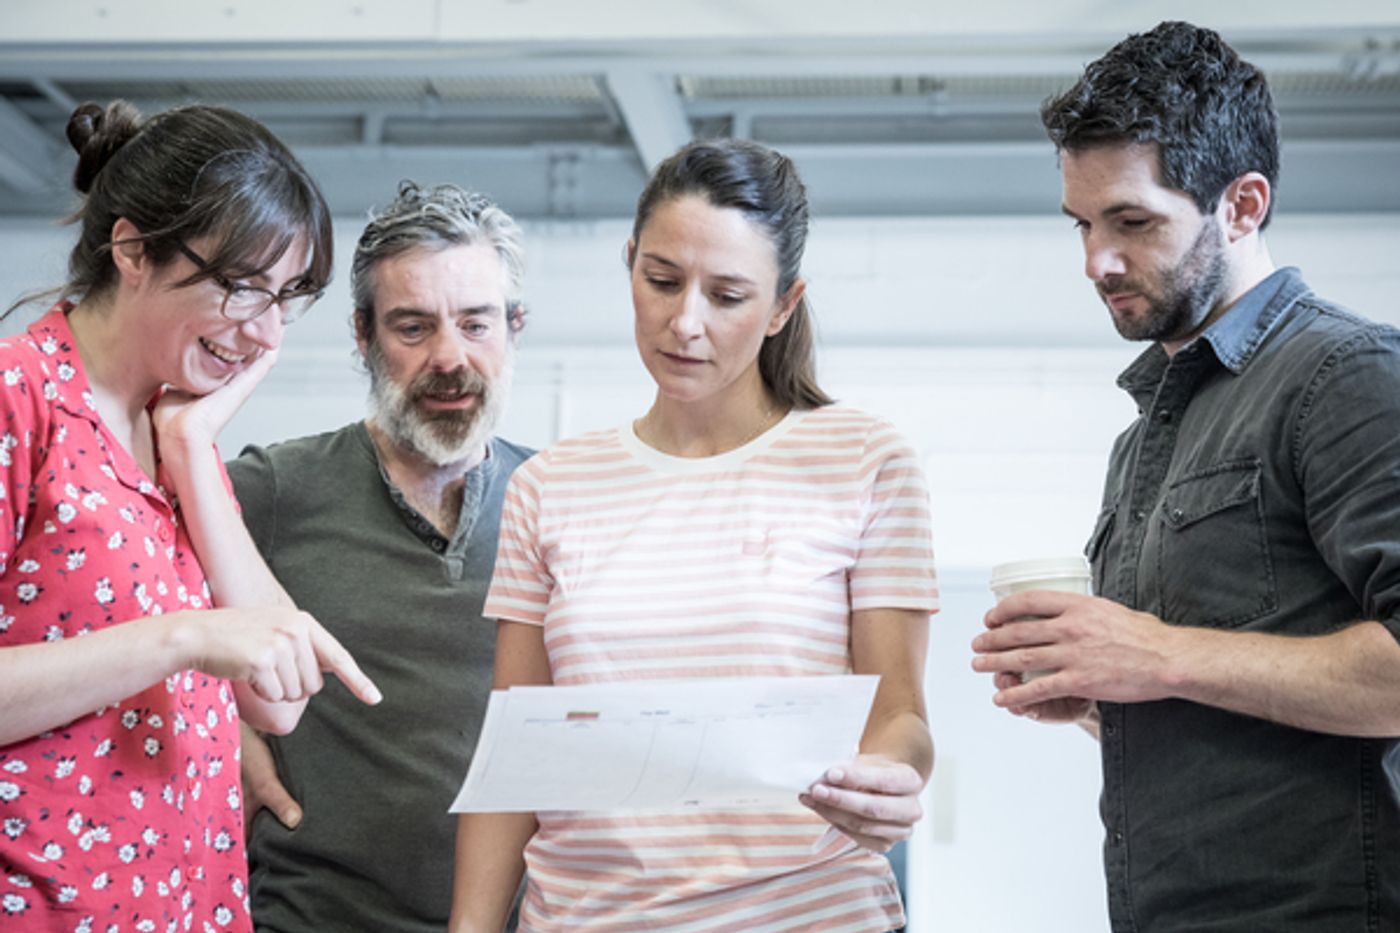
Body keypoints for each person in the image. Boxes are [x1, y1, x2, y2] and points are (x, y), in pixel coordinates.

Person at [971, 20, 1400, 932]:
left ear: (1243, 205)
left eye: (1132, 221)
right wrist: (1097, 695)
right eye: (1082, 224)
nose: (1097, 261)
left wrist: (1154, 654)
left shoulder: (1348, 376)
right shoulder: (1148, 434)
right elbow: (1221, 692)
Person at [449, 138, 939, 933]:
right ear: (631, 265)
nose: (686, 322)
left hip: (809, 913)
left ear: (783, 305)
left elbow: (901, 713)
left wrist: (888, 775)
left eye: (729, 295)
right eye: (662, 280)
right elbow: (518, 751)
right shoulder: (549, 486)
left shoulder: (864, 460)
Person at [0, 101, 378, 930]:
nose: (267, 332)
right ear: (133, 249)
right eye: (243, 288)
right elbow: (212, 641)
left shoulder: (172, 431)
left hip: (189, 905)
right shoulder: (20, 402)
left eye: (288, 297)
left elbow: (277, 700)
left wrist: (193, 440)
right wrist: (184, 636)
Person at [230, 181, 533, 933]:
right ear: (363, 336)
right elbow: (125, 606)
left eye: (475, 323)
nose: (449, 357)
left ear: (514, 329)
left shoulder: (563, 499)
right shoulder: (273, 488)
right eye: (412, 327)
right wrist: (225, 733)